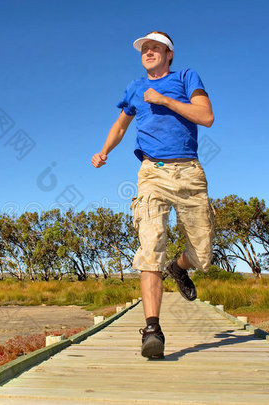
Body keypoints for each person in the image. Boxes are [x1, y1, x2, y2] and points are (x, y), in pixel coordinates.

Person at [91, 31, 215, 359]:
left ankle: (179, 267)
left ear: (169, 54)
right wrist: (104, 151)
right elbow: (119, 126)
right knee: (150, 248)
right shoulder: (134, 88)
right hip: (151, 173)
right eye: (144, 48)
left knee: (202, 255)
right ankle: (152, 328)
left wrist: (164, 100)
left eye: (155, 47)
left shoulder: (187, 77)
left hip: (188, 171)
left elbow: (206, 117)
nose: (148, 52)